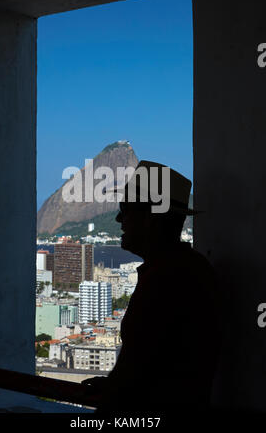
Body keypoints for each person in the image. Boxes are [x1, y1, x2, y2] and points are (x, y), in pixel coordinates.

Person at [81, 161, 222, 414]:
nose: (118, 219)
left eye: (125, 209)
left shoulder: (166, 279)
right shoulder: (191, 268)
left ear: (150, 218)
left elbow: (136, 372)